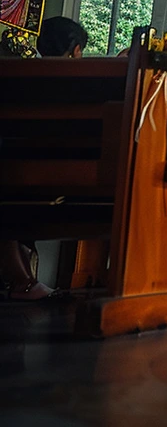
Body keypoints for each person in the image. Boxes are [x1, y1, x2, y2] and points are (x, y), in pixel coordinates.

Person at [1, 17, 87, 299]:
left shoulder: (16, 75)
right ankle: (22, 281)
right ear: (75, 50)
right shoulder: (82, 83)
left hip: (15, 168)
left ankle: (23, 280)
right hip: (69, 176)